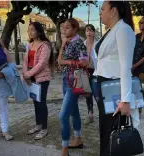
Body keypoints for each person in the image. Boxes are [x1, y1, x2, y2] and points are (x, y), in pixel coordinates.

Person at [93, 2, 136, 155]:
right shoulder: (111, 31)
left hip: (113, 89)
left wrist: (125, 100)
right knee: (105, 131)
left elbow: (125, 66)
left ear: (113, 11)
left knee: (112, 133)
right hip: (104, 86)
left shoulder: (123, 30)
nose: (100, 13)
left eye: (102, 9)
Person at [57, 18, 88, 156]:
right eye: (64, 27)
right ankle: (78, 139)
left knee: (63, 116)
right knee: (74, 110)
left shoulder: (79, 42)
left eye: (68, 27)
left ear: (75, 29)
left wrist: (66, 62)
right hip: (66, 80)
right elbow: (59, 61)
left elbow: (85, 62)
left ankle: (64, 148)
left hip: (75, 80)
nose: (64, 29)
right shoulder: (67, 42)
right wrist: (63, 45)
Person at [23, 22, 54, 140]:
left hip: (42, 78)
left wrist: (28, 74)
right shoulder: (30, 45)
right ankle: (38, 125)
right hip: (32, 78)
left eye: (32, 30)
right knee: (35, 102)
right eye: (29, 29)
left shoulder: (45, 46)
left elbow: (41, 64)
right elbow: (25, 61)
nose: (30, 32)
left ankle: (44, 129)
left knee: (41, 103)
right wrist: (25, 74)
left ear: (39, 31)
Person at [83, 24, 97, 125]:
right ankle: (90, 113)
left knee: (97, 93)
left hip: (96, 71)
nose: (88, 32)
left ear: (94, 32)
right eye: (87, 30)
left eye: (91, 30)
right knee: (88, 93)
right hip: (85, 71)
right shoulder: (83, 44)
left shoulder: (97, 44)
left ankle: (103, 112)